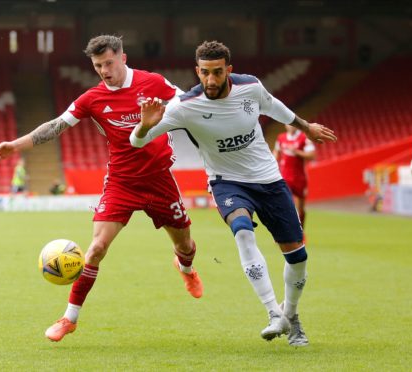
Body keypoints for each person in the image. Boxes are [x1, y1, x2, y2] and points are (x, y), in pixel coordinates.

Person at [0, 35, 203, 342]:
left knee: (184, 245)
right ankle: (69, 318)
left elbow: (189, 103)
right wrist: (16, 145)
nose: (104, 70)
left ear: (123, 58)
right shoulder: (93, 98)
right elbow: (55, 125)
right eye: (98, 65)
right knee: (96, 249)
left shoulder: (153, 82)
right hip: (121, 182)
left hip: (159, 179)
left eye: (108, 63)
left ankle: (186, 268)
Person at [130, 41, 337, 346]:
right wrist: (143, 127)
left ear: (229, 70)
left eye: (217, 72)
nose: (210, 80)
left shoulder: (250, 88)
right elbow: (137, 143)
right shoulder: (185, 106)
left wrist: (305, 127)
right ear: (197, 71)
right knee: (242, 231)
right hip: (227, 182)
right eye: (204, 73)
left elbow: (273, 105)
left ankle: (290, 315)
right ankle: (272, 313)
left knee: (297, 256)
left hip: (268, 179)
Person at [272, 124, 316, 229]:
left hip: (299, 177)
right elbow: (276, 153)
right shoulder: (281, 138)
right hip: (285, 176)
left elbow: (312, 155)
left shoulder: (304, 138)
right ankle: (285, 232)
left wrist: (296, 152)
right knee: (286, 204)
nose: (291, 126)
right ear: (285, 125)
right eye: (288, 124)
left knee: (301, 208)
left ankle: (301, 232)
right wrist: (273, 162)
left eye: (292, 124)